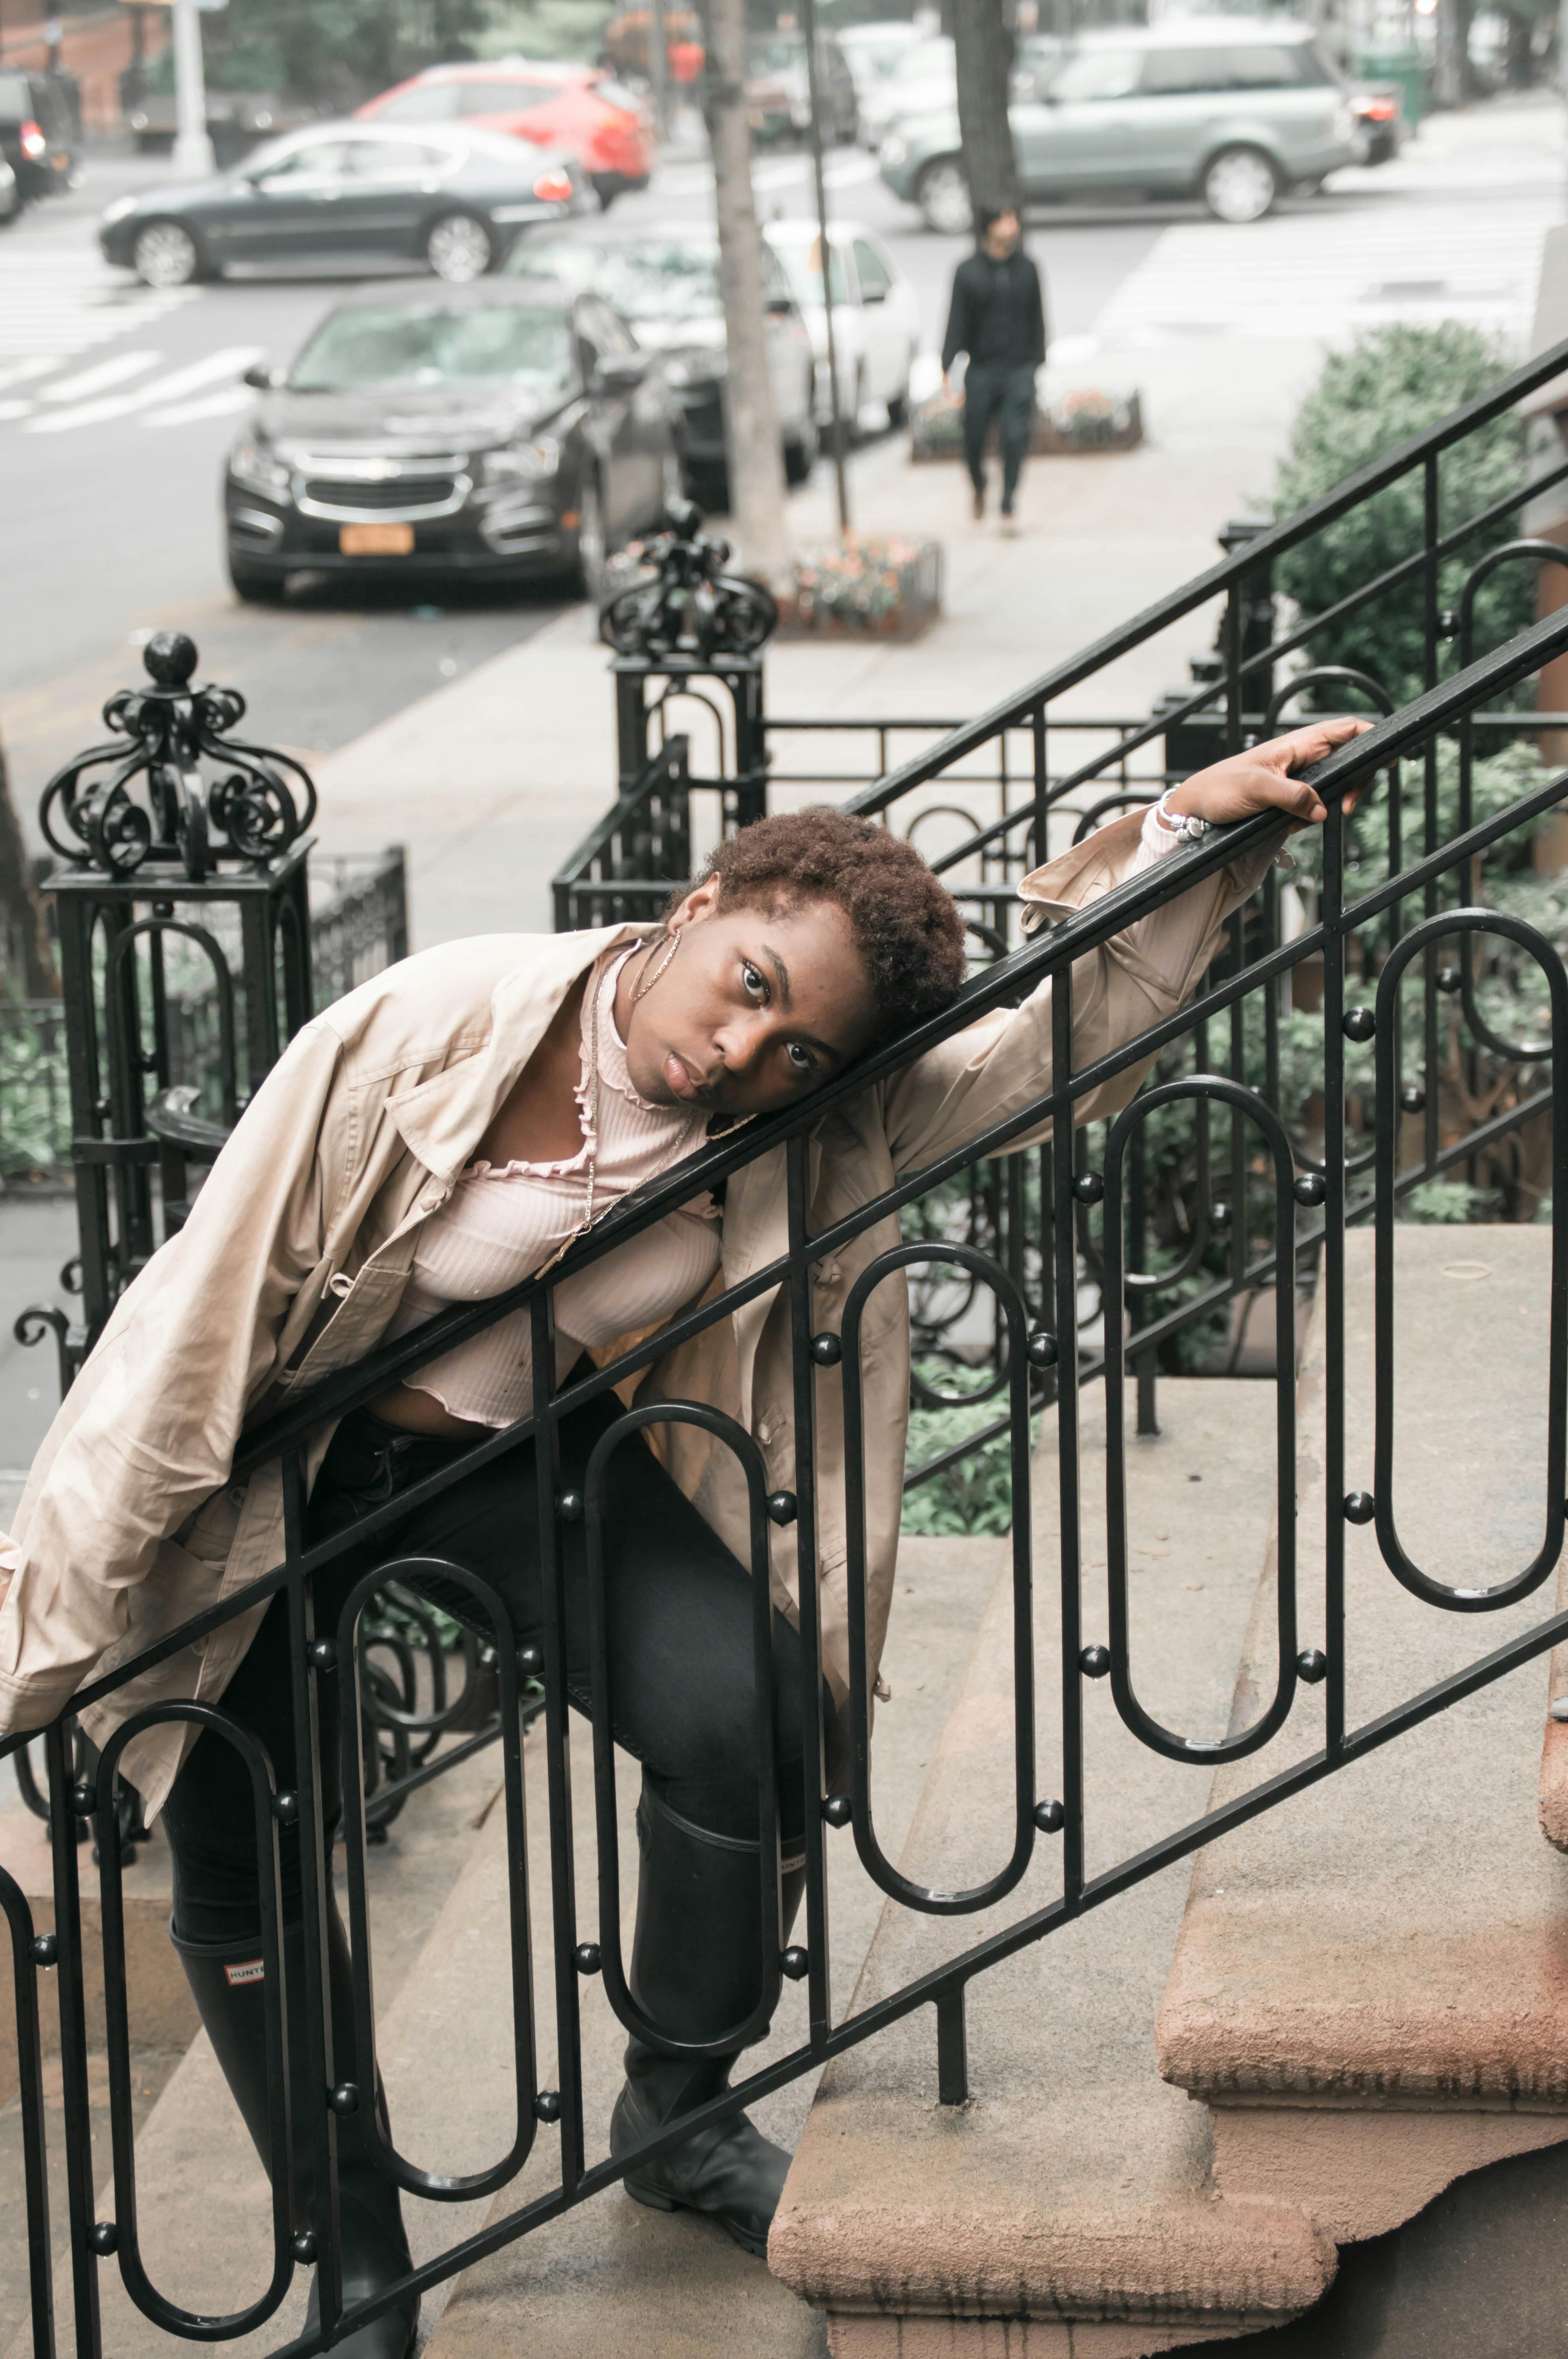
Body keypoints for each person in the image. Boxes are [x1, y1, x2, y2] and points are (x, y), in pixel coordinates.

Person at [0, 724, 1364, 2358]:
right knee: (245, 1858)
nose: (743, 1049)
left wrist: (1179, 841)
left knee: (751, 1719)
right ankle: (358, 2263)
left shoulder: (802, 1115)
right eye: (745, 980)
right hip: (277, 1477)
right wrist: (52, 1637)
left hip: (522, 1462)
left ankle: (678, 2115)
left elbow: (1043, 1054)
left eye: (797, 1045)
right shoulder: (428, 1024)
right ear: (709, 898)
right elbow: (192, 1337)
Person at [941, 201, 1047, 534]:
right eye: (1005, 219)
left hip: (1018, 367)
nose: (1012, 225)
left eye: (1014, 218)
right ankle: (979, 484)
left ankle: (1007, 503)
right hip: (982, 369)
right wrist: (947, 366)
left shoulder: (1028, 269)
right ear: (989, 226)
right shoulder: (968, 272)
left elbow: (1038, 319)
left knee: (1016, 437)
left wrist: (1037, 362)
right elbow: (956, 321)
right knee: (973, 438)